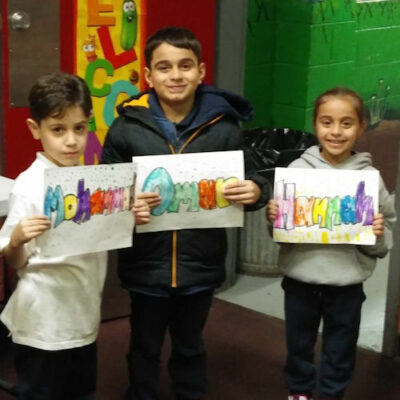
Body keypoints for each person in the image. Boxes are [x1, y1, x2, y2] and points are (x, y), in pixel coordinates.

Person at [101, 26, 269, 400]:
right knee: (143, 345)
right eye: (164, 67)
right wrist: (126, 205)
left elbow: (254, 176)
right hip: (146, 265)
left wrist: (255, 189)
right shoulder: (126, 128)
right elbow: (108, 194)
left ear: (201, 71)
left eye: (185, 65)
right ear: (148, 76)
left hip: (201, 264)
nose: (175, 75)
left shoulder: (224, 128)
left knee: (190, 345)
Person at [266, 87, 396, 400]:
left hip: (346, 286)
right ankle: (299, 392)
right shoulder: (297, 172)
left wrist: (378, 231)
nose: (335, 132)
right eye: (327, 122)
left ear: (361, 126)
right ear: (315, 124)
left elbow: (383, 240)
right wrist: (273, 218)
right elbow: (278, 233)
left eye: (346, 123)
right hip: (300, 280)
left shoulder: (371, 179)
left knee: (340, 349)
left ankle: (331, 394)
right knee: (298, 345)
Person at [0, 72, 111, 400]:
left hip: (81, 316)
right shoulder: (29, 184)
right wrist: (17, 238)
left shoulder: (91, 179)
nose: (71, 141)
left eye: (79, 128)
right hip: (42, 325)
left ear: (89, 124)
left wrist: (133, 214)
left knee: (78, 392)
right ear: (36, 130)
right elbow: (14, 260)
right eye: (58, 130)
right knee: (42, 392)